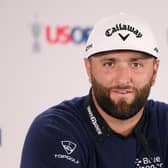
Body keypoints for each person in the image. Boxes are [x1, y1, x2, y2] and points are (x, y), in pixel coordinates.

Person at [20, 13, 168, 168]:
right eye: (109, 64)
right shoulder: (53, 131)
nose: (123, 79)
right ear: (89, 69)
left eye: (136, 65)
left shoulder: (164, 123)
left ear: (155, 71)